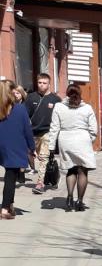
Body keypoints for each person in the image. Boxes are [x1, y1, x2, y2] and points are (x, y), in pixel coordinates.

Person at [48, 84, 97, 213]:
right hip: (83, 140)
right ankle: (80, 201)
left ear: (67, 93)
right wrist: (89, 139)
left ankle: (69, 197)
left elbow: (54, 128)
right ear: (80, 93)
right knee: (82, 171)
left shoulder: (59, 107)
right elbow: (94, 129)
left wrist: (51, 147)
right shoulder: (87, 108)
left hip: (66, 140)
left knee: (71, 170)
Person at [0, 82, 35, 220]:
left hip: (2, 145)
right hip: (13, 146)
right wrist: (32, 148)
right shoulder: (19, 109)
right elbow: (27, 131)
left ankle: (10, 205)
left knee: (11, 176)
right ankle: (4, 209)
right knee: (10, 177)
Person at [25, 72, 60, 195]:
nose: (41, 85)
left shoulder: (55, 100)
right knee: (36, 156)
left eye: (44, 83)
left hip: (47, 132)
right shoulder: (31, 97)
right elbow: (25, 116)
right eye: (39, 82)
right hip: (33, 132)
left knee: (43, 158)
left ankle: (40, 183)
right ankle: (53, 175)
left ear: (49, 84)